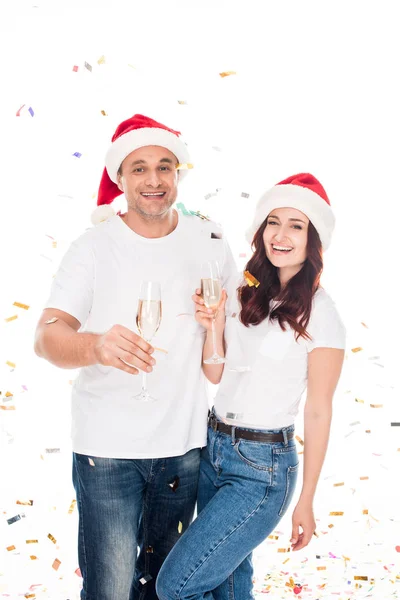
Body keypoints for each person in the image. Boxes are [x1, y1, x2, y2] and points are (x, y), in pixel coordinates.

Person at [33, 113, 237, 600]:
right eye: (139, 167)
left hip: (182, 448)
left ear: (178, 175)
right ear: (119, 178)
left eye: (164, 166)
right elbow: (46, 337)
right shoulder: (94, 247)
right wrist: (95, 344)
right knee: (111, 588)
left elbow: (223, 348)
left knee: (168, 587)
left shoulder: (209, 241)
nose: (153, 180)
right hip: (107, 450)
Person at [156, 173, 346, 600]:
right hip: (214, 449)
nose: (280, 235)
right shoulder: (245, 294)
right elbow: (215, 374)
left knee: (176, 586)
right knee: (227, 581)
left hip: (263, 469)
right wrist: (215, 327)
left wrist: (307, 499)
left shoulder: (322, 313)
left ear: (313, 239)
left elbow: (318, 411)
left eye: (296, 226)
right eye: (273, 222)